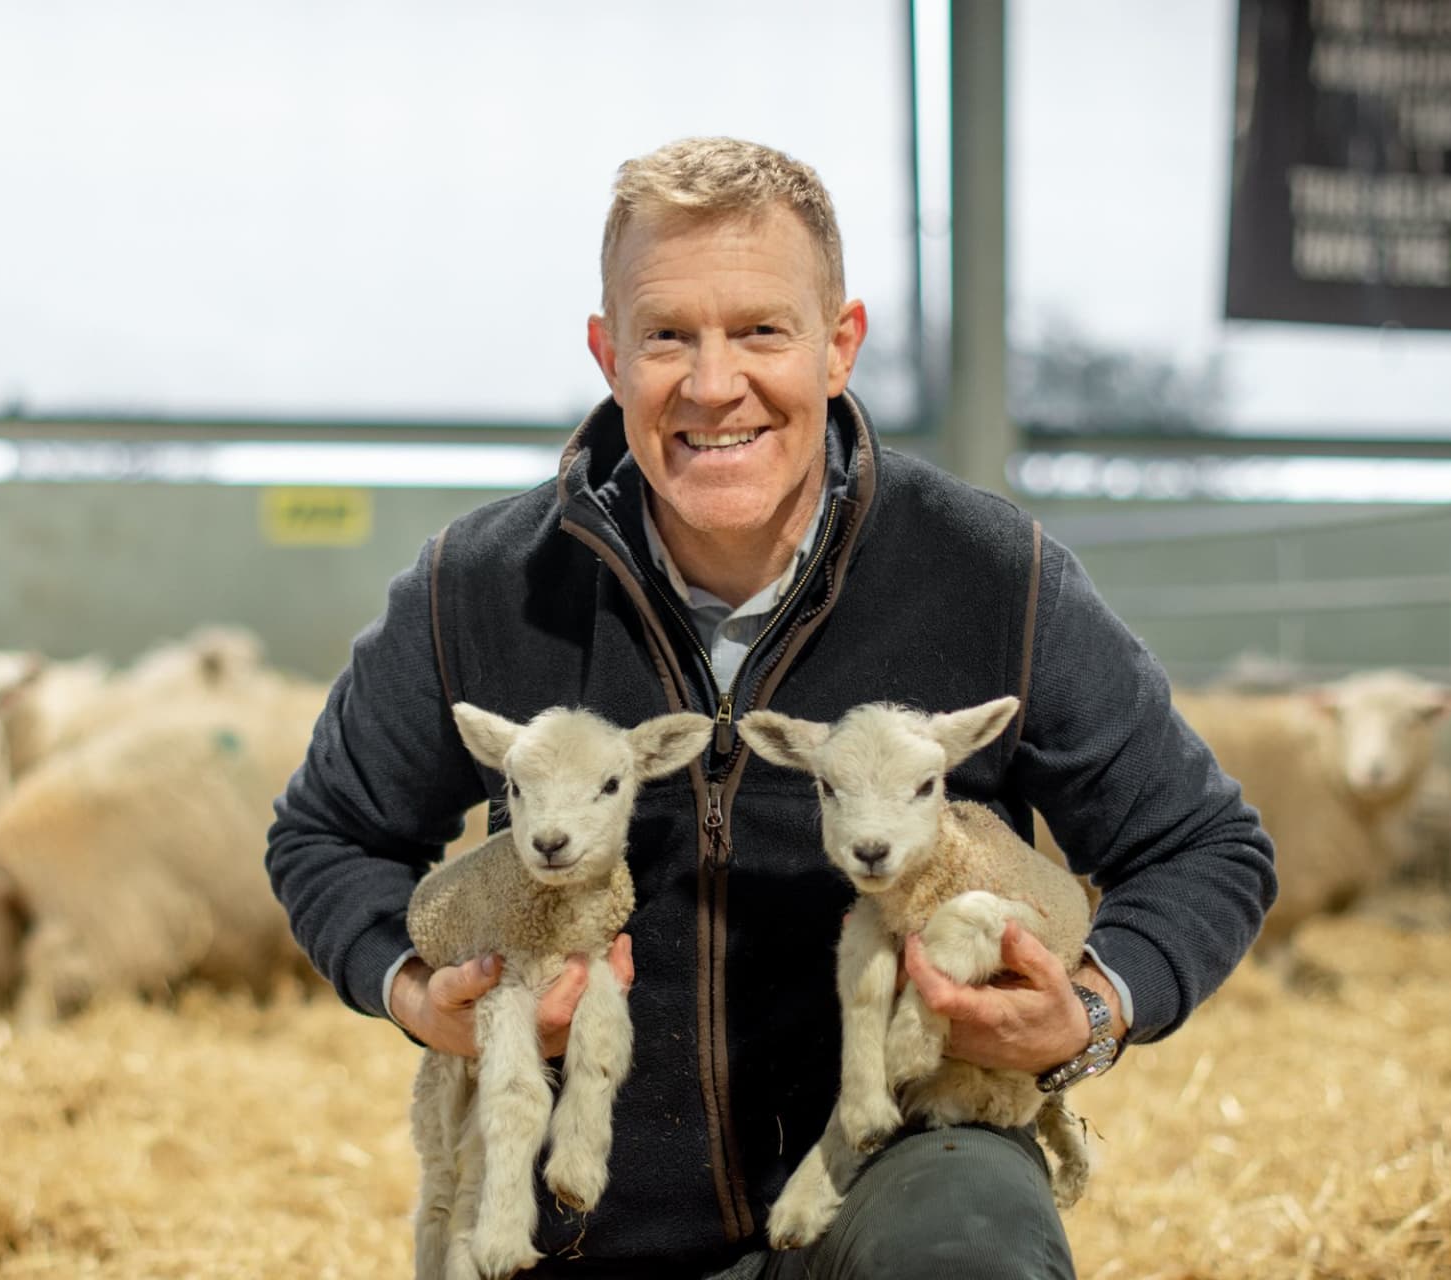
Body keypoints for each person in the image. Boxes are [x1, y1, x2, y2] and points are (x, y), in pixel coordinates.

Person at [267, 137, 1276, 1279]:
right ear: (608, 354)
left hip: (890, 1166)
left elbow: (1204, 844)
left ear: (839, 346)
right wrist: (418, 994)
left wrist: (1091, 1011)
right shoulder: (483, 585)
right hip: (575, 1213)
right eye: (665, 336)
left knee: (968, 1249)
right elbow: (326, 832)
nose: (711, 384)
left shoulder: (990, 573)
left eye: (761, 330)